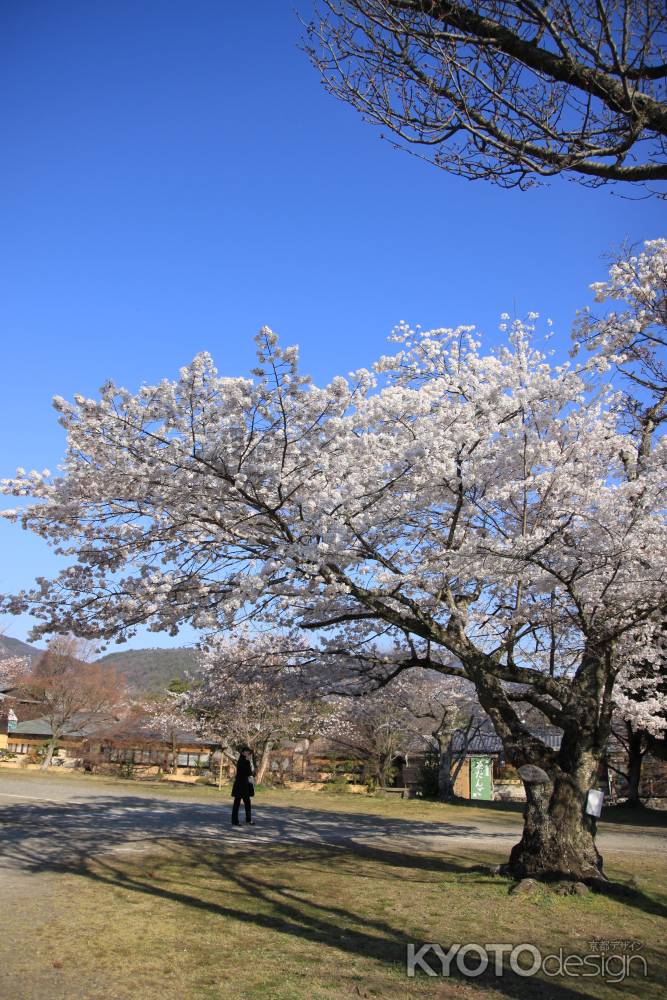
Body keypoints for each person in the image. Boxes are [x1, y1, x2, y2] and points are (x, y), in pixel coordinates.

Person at [231, 746, 255, 825]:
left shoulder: (243, 760)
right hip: (241, 785)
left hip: (242, 784)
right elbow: (248, 773)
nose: (249, 753)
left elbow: (249, 773)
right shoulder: (243, 761)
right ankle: (239, 821)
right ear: (243, 752)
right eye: (247, 752)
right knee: (240, 803)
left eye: (249, 752)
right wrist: (249, 762)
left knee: (242, 803)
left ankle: (244, 820)